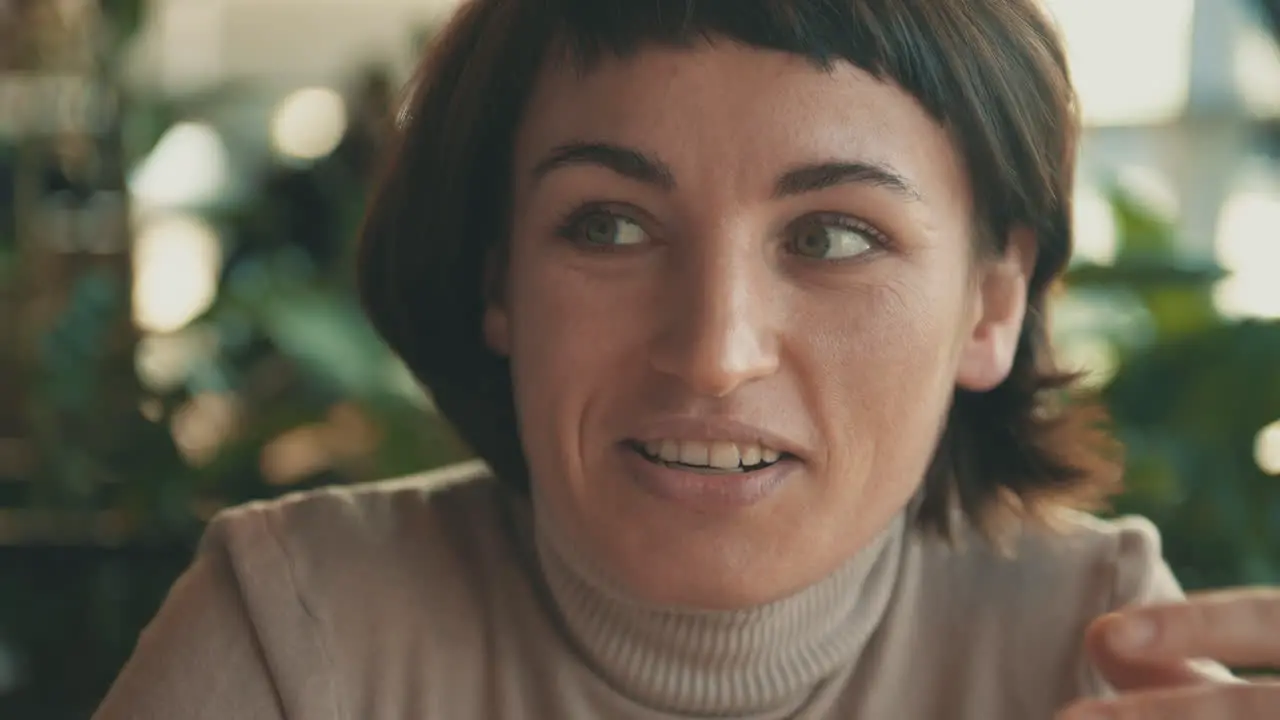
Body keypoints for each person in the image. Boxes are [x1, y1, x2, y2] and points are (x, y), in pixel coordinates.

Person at [94, 0, 1280, 718]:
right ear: (500, 275)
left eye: (831, 237)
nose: (713, 353)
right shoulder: (298, 629)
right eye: (608, 225)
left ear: (990, 299)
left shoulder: (1096, 645)